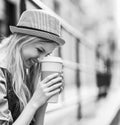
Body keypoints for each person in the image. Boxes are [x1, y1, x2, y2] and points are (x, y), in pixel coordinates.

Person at [0, 9, 65, 125]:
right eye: (40, 50)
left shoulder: (24, 69)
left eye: (47, 54)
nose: (40, 60)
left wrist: (44, 99)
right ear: (23, 40)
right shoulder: (2, 71)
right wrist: (35, 102)